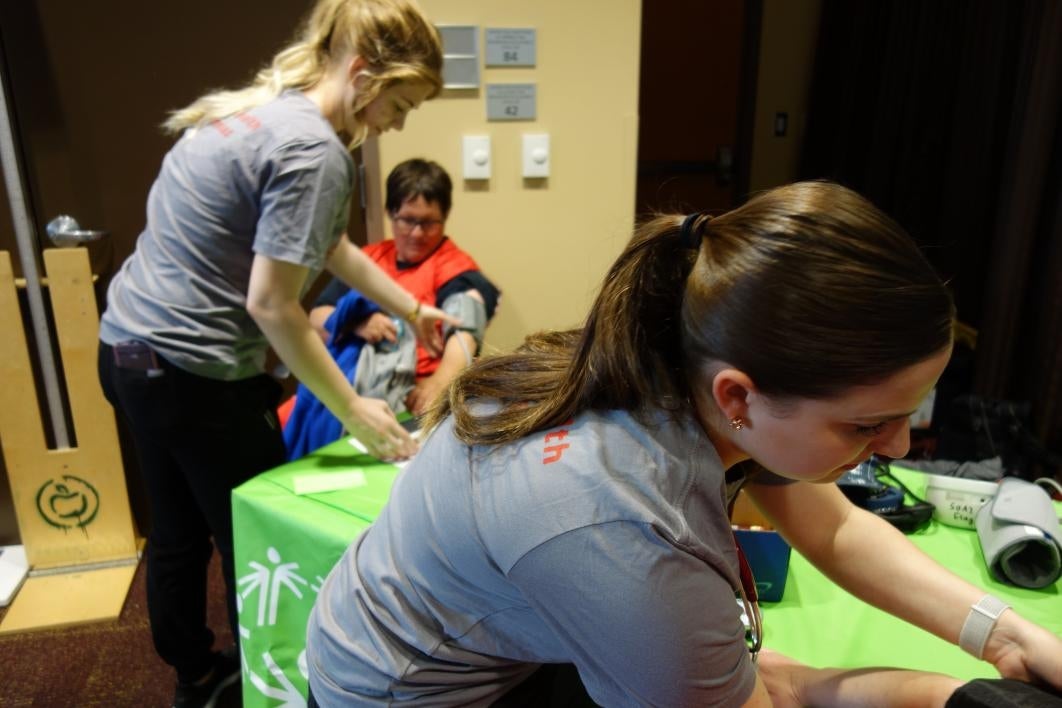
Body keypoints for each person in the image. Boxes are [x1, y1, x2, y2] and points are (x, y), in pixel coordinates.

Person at [305, 181, 1062, 706]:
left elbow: (832, 526)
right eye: (867, 424)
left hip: (480, 635)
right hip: (397, 690)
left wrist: (1007, 639)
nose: (898, 447)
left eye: (910, 411)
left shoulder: (677, 352)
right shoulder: (619, 526)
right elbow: (775, 694)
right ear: (740, 397)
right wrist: (946, 696)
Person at [96, 1, 448, 705]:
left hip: (129, 351)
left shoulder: (258, 113)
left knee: (173, 532)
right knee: (259, 538)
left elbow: (327, 245)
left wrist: (412, 307)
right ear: (362, 74)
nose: (397, 123)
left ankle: (193, 675)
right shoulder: (316, 151)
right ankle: (276, 684)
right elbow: (271, 303)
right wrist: (353, 410)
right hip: (195, 375)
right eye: (400, 104)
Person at [283, 158, 500, 458]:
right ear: (390, 213)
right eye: (408, 220)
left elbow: (464, 333)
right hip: (353, 387)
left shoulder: (456, 270)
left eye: (429, 222)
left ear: (445, 217)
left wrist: (437, 385)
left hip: (412, 394)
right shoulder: (368, 261)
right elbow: (318, 316)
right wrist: (357, 323)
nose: (417, 233)